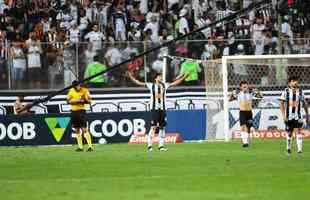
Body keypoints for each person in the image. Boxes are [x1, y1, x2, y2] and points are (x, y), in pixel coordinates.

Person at [127, 72, 187, 152]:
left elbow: (175, 83)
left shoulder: (164, 85)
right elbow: (138, 83)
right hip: (154, 109)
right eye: (159, 76)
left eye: (161, 76)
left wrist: (184, 77)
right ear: (155, 78)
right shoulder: (150, 85)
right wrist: (131, 76)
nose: (161, 78)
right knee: (154, 127)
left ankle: (161, 146)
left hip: (162, 109)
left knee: (162, 127)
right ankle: (149, 146)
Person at [280, 76, 309, 154]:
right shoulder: (285, 91)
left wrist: (307, 115)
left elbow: (304, 104)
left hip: (298, 116)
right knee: (289, 133)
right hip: (288, 116)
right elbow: (281, 104)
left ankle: (299, 150)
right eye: (293, 81)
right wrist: (283, 116)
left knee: (298, 130)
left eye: (296, 81)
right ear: (289, 83)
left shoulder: (300, 91)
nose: (295, 82)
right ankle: (288, 148)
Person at [229, 81, 262, 148]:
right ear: (241, 87)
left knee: (248, 128)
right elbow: (230, 99)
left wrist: (258, 92)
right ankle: (245, 143)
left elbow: (260, 96)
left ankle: (247, 141)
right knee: (242, 127)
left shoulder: (251, 93)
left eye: (246, 87)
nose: (245, 88)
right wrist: (232, 94)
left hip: (249, 112)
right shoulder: (238, 94)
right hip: (242, 112)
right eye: (244, 87)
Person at [67, 81, 93, 152]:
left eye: (79, 85)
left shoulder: (85, 90)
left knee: (84, 128)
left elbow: (89, 101)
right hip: (73, 111)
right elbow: (67, 101)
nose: (79, 87)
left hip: (81, 111)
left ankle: (90, 146)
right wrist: (76, 101)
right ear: (74, 87)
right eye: (77, 86)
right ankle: (80, 147)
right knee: (77, 129)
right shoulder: (71, 91)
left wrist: (83, 100)